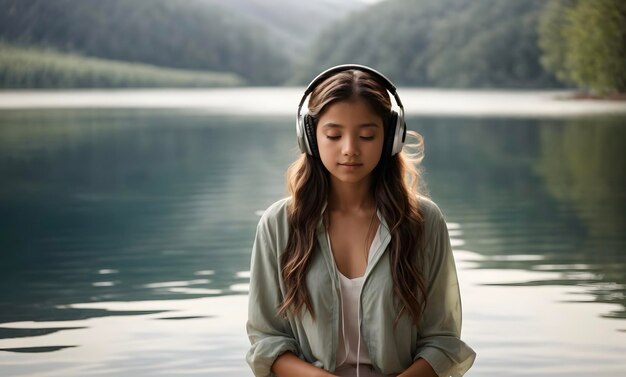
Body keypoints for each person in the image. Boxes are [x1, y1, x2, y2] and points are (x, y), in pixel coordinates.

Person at [246, 64, 476, 377]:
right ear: (310, 138)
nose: (350, 149)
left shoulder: (424, 221)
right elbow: (267, 340)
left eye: (367, 135)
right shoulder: (278, 224)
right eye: (333, 134)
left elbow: (443, 341)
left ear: (391, 138)